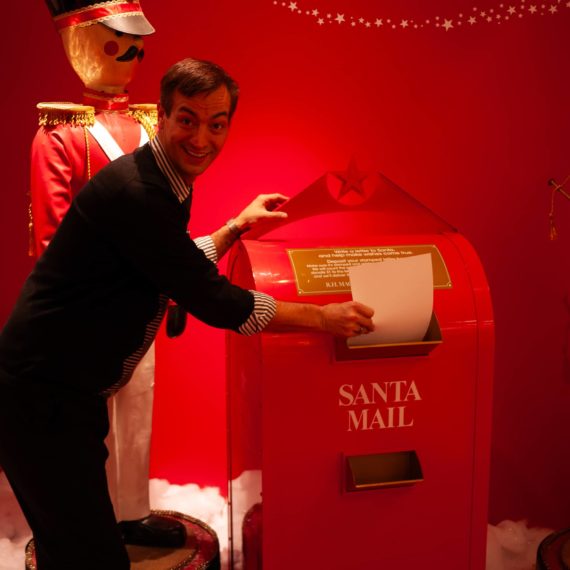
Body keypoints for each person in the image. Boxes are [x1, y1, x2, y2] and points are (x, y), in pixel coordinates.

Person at [0, 57, 374, 570]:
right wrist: (324, 319)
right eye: (187, 120)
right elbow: (212, 299)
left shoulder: (157, 179)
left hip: (59, 395)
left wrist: (234, 226)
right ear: (163, 117)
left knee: (80, 549)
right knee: (89, 557)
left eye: (217, 124)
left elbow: (161, 263)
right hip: (41, 399)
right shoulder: (140, 193)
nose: (202, 138)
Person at [30, 0, 187, 547]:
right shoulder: (60, 136)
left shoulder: (150, 125)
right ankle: (89, 516)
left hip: (141, 299)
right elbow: (51, 236)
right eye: (118, 42)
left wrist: (179, 283)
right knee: (84, 416)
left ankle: (132, 509)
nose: (132, 55)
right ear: (79, 43)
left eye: (137, 45)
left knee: (138, 404)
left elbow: (170, 214)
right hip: (86, 308)